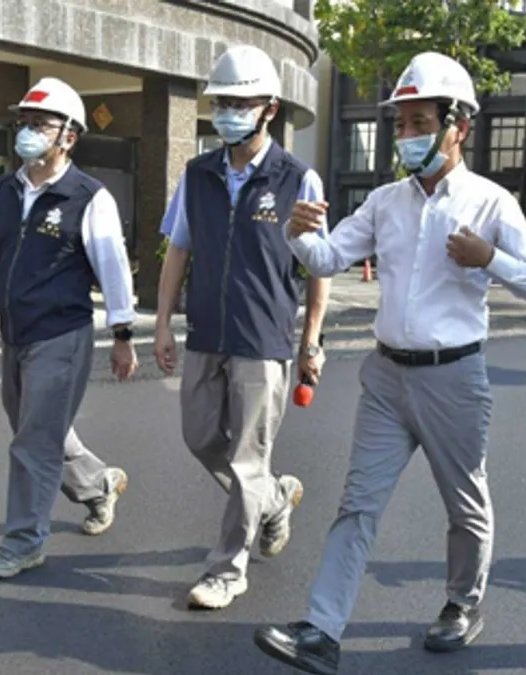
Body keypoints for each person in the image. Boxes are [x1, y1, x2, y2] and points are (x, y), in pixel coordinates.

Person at [253, 52, 526, 674]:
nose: (409, 136)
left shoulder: (490, 203)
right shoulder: (385, 202)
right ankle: (321, 629)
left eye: (422, 123)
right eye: (403, 125)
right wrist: (296, 231)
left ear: (459, 127)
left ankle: (461, 604)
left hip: (455, 378)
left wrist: (487, 258)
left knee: (465, 503)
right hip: (387, 376)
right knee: (357, 505)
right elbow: (329, 259)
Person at [154, 44, 332, 611]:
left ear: (269, 109)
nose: (228, 111)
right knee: (200, 438)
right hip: (206, 332)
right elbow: (177, 251)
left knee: (246, 460)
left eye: (241, 102)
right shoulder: (198, 174)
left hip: (263, 340)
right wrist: (161, 325)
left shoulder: (297, 179)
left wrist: (311, 342)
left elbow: (318, 266)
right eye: (222, 102)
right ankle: (275, 499)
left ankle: (228, 569)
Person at [0, 76, 138, 579]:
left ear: (68, 136)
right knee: (35, 429)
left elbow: (114, 270)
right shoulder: (6, 191)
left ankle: (24, 542)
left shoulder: (88, 197)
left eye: (40, 124)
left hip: (62, 336)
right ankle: (100, 484)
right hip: (16, 334)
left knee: (33, 441)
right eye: (24, 123)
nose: (28, 132)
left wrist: (123, 336)